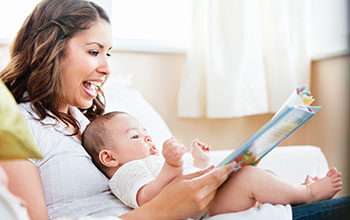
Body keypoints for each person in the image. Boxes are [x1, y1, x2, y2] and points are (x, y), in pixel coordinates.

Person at [0, 0, 348, 219]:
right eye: (94, 52)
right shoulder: (17, 127)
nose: (106, 68)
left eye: (109, 53)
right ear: (51, 49)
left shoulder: (90, 122)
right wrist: (164, 211)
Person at [82, 111, 343, 217]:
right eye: (136, 136)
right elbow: (148, 198)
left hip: (201, 202)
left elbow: (185, 182)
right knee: (248, 179)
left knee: (256, 174)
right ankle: (308, 193)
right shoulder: (126, 172)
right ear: (109, 157)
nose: (147, 138)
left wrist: (201, 162)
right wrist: (172, 166)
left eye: (146, 132)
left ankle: (296, 191)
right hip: (201, 210)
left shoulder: (148, 162)